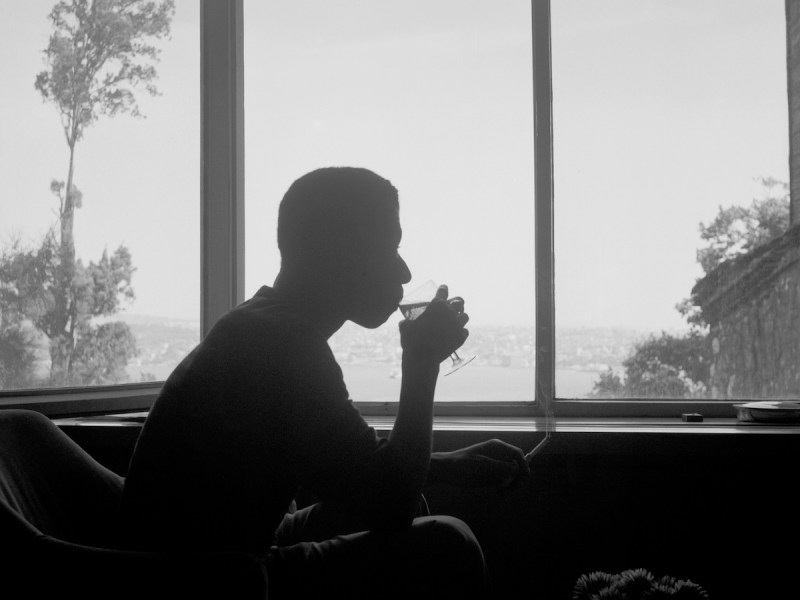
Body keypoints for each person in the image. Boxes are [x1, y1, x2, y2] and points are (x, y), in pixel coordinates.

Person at [117, 167, 530, 598]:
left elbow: (357, 471)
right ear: (339, 251)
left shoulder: (261, 322)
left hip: (204, 552)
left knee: (416, 509)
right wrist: (422, 362)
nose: (405, 272)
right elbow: (391, 505)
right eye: (389, 248)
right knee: (450, 545)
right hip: (203, 584)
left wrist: (446, 466)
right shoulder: (285, 346)